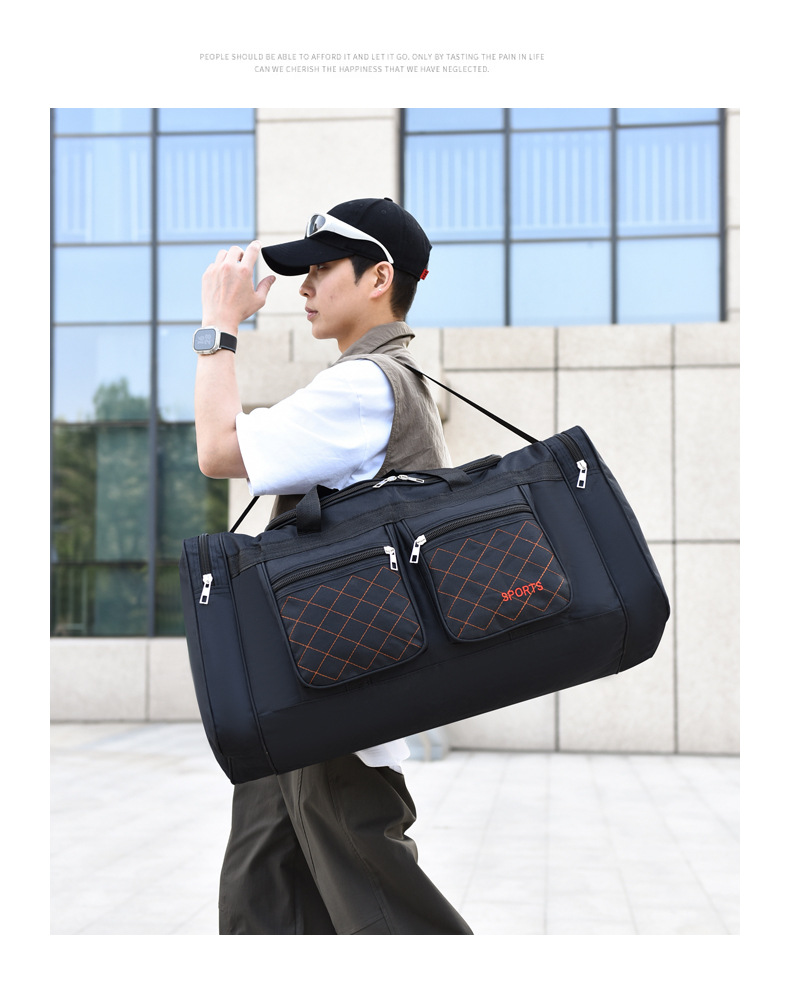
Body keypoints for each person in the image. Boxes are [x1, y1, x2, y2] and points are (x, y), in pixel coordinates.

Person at [194, 197, 473, 935]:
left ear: (379, 278)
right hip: (306, 704)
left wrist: (218, 328)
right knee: (261, 911)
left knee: (389, 927)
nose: (306, 285)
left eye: (323, 267)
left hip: (335, 713)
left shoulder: (366, 386)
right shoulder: (383, 381)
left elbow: (217, 449)